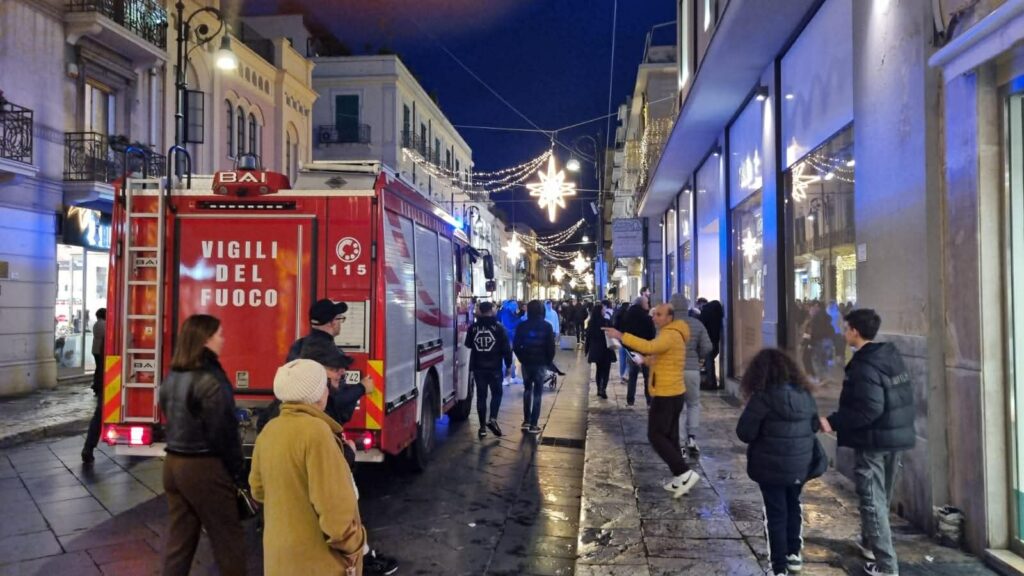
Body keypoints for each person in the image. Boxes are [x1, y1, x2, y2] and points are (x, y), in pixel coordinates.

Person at [251, 359, 367, 576]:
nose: (327, 391)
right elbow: (335, 515)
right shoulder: (317, 433)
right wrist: (356, 545)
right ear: (315, 394)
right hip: (317, 563)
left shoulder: (269, 430)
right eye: (323, 386)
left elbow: (257, 489)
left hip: (278, 561)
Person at [823, 309, 915, 576]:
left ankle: (887, 566)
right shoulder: (889, 356)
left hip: (874, 441)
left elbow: (869, 409)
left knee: (873, 502)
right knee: (880, 497)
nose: (843, 331)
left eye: (845, 327)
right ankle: (869, 544)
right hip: (895, 436)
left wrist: (834, 421)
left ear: (854, 331)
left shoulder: (864, 365)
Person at [159, 314, 245, 576]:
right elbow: (223, 432)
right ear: (206, 339)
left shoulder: (173, 376)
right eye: (219, 334)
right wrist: (237, 471)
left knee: (180, 541)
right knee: (228, 538)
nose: (223, 339)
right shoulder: (211, 379)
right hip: (203, 467)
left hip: (173, 463)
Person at [736, 349, 822, 576]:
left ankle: (778, 567)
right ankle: (794, 554)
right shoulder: (805, 394)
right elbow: (814, 426)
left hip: (771, 466)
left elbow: (744, 432)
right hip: (800, 465)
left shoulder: (762, 397)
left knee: (775, 513)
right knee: (793, 504)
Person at [604, 303, 699, 498]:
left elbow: (650, 347)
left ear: (669, 317)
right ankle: (679, 479)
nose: (654, 317)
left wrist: (621, 336)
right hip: (673, 392)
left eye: (659, 315)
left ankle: (683, 472)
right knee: (670, 437)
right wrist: (645, 361)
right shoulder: (670, 333)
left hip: (666, 394)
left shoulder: (670, 334)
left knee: (655, 435)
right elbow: (660, 357)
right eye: (654, 314)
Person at [670, 294, 712, 455]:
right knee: (693, 404)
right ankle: (692, 438)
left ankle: (679, 443)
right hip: (692, 369)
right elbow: (707, 347)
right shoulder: (696, 324)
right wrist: (699, 357)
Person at [465, 301, 513, 439]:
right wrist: (508, 365)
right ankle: (492, 418)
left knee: (481, 396)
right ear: (491, 310)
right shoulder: (499, 328)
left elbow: (468, 345)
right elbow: (506, 349)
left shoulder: (473, 328)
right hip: (495, 368)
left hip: (478, 368)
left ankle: (482, 428)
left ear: (480, 311)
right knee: (497, 393)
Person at [513, 300, 556, 435]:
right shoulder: (547, 326)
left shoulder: (522, 326)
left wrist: (521, 358)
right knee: (538, 392)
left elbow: (516, 345)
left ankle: (526, 421)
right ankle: (533, 424)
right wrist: (548, 361)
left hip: (526, 362)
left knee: (527, 390)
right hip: (540, 362)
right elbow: (551, 347)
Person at [82, 308, 106, 464]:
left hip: (106, 371)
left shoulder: (98, 325)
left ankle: (88, 447)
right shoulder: (106, 325)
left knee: (99, 414)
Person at [621, 296, 655, 406]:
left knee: (633, 374)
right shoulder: (646, 317)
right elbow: (651, 334)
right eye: (646, 302)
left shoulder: (627, 316)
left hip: (632, 349)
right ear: (642, 304)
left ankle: (630, 399)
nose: (648, 304)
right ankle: (649, 399)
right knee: (647, 375)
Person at [584, 303, 613, 399]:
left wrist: (587, 350)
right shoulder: (606, 322)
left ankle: (598, 389)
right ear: (600, 311)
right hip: (606, 350)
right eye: (604, 310)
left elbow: (588, 337)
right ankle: (603, 388)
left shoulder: (591, 323)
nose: (605, 311)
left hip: (596, 351)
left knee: (599, 370)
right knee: (606, 370)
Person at [699, 299, 724, 389]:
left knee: (709, 361)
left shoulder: (705, 312)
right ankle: (711, 381)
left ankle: (710, 382)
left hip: (708, 340)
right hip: (716, 340)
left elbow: (701, 326)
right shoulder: (717, 312)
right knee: (710, 361)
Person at [499, 300, 524, 385]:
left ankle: (513, 377)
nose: (516, 307)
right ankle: (504, 378)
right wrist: (521, 320)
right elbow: (509, 325)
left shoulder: (509, 312)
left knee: (512, 359)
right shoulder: (505, 313)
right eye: (515, 305)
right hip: (507, 339)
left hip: (511, 338)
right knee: (505, 361)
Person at [612, 302, 631, 380]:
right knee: (630, 358)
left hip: (620, 338)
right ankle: (625, 374)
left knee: (622, 358)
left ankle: (622, 376)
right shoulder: (629, 316)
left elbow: (615, 326)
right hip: (628, 338)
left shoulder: (618, 315)